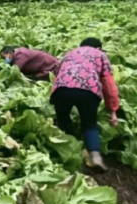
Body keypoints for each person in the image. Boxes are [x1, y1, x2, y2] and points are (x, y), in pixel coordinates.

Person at [51, 38, 120, 171]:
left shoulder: (70, 53)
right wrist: (113, 110)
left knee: (63, 119)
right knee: (89, 124)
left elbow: (57, 74)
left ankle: (71, 148)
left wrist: (54, 97)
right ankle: (95, 156)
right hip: (88, 91)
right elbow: (108, 84)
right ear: (99, 47)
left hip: (62, 89)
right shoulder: (100, 55)